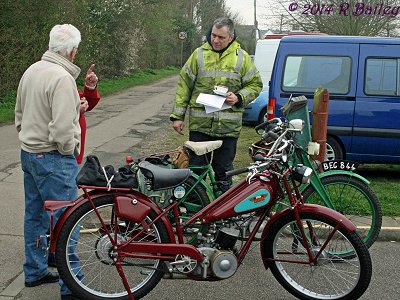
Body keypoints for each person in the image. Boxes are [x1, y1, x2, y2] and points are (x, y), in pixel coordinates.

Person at [15, 24, 83, 300]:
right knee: (67, 220)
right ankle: (72, 287)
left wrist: (28, 138)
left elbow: (19, 114)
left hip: (29, 152)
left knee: (35, 214)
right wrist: (69, 149)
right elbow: (64, 128)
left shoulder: (31, 71)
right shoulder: (62, 77)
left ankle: (34, 270)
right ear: (71, 51)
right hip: (54, 157)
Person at [170, 17, 262, 192]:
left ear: (231, 37)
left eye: (221, 37)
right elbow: (184, 86)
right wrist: (177, 116)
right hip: (200, 126)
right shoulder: (198, 55)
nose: (215, 40)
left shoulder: (242, 58)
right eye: (213, 35)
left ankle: (223, 214)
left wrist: (239, 97)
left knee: (224, 172)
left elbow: (255, 85)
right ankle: (194, 212)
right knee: (196, 172)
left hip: (228, 129)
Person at [76, 64, 100, 165]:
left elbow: (86, 103)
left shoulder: (64, 77)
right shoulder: (57, 77)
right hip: (59, 152)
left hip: (71, 149)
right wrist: (75, 109)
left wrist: (90, 87)